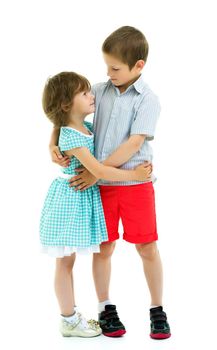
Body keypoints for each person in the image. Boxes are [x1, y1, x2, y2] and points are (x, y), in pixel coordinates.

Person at [50, 26, 171, 339]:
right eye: (107, 66)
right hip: (101, 187)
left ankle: (157, 309)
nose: (109, 73)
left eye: (115, 68)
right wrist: (53, 142)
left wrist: (96, 169)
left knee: (147, 246)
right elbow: (68, 119)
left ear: (138, 66)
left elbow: (133, 144)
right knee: (104, 248)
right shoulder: (100, 92)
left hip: (135, 185)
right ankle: (106, 306)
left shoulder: (148, 100)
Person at [40, 71, 152, 338]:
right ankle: (68, 318)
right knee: (65, 262)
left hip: (80, 199)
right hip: (69, 201)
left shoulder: (82, 128)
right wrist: (133, 176)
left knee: (68, 261)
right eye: (85, 93)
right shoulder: (73, 136)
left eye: (90, 91)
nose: (93, 96)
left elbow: (60, 123)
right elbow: (99, 171)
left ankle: (71, 317)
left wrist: (52, 136)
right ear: (67, 105)